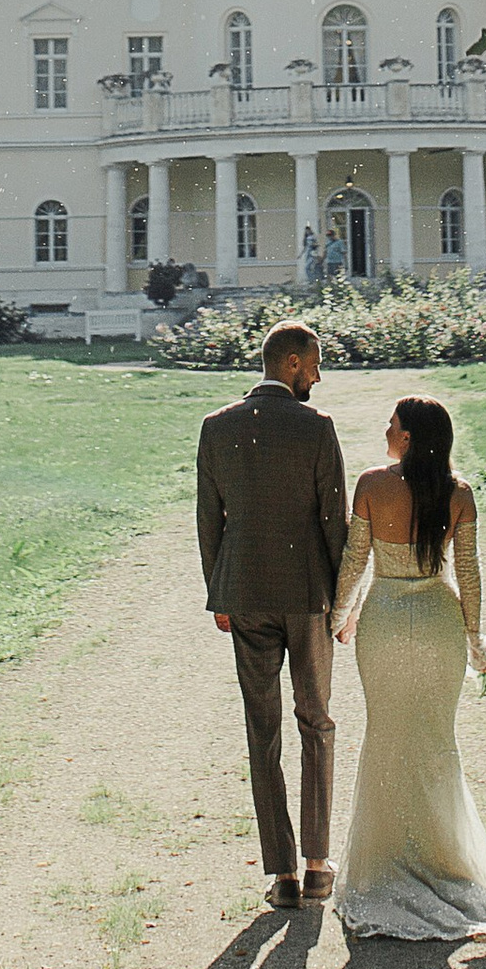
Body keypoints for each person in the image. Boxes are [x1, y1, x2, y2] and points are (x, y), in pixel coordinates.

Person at [328, 394, 486, 941]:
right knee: (433, 742)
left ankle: (381, 866)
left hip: (382, 618)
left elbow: (356, 561)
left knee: (385, 734)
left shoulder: (372, 485)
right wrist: (473, 637)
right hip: (436, 621)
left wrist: (339, 615)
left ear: (406, 438)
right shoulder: (459, 494)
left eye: (392, 423)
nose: (386, 428)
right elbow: (469, 573)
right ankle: (443, 859)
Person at [195, 322, 349, 908]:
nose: (317, 375)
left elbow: (209, 518)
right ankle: (316, 862)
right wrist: (343, 600)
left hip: (245, 595)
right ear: (289, 363)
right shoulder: (317, 428)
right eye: (312, 364)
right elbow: (333, 521)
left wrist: (220, 591)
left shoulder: (216, 427)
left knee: (262, 730)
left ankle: (280, 873)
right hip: (308, 595)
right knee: (317, 721)